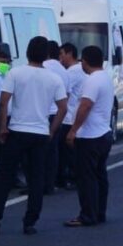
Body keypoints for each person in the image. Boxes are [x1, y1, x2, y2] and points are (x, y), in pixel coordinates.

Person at [0, 36, 66, 236]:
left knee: (4, 177)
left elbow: (4, 102)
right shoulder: (54, 78)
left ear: (27, 52)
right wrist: (51, 130)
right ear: (46, 55)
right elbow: (62, 108)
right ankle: (30, 222)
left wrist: (3, 127)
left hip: (17, 131)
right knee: (36, 178)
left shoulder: (15, 73)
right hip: (40, 133)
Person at [65, 46, 115, 227]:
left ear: (84, 61)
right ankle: (99, 212)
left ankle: (87, 214)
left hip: (90, 135)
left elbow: (85, 106)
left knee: (86, 178)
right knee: (100, 175)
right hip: (104, 132)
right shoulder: (106, 78)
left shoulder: (92, 81)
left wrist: (73, 130)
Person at [41, 40, 69, 195]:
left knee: (38, 151)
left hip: (42, 114)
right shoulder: (64, 71)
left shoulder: (42, 67)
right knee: (53, 150)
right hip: (58, 113)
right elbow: (67, 94)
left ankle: (39, 182)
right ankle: (50, 183)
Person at [57, 43, 86, 189]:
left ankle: (70, 177)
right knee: (74, 151)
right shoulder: (82, 69)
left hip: (69, 117)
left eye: (62, 54)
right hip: (77, 116)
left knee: (67, 151)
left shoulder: (71, 73)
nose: (60, 57)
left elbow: (64, 94)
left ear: (70, 54)